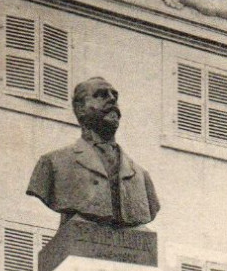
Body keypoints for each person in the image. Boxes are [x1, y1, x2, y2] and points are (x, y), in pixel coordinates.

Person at [26, 77, 160, 227]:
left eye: (115, 96)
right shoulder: (53, 163)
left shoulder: (142, 176)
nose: (112, 99)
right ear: (80, 108)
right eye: (101, 95)